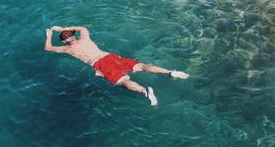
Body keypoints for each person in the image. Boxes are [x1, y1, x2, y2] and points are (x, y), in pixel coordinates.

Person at [45, 26, 189, 106]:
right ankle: (170, 72)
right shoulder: (84, 37)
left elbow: (48, 48)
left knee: (123, 81)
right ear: (73, 36)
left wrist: (49, 34)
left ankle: (145, 91)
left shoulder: (67, 49)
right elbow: (82, 27)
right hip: (111, 57)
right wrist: (63, 28)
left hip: (101, 64)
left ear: (64, 42)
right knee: (142, 66)